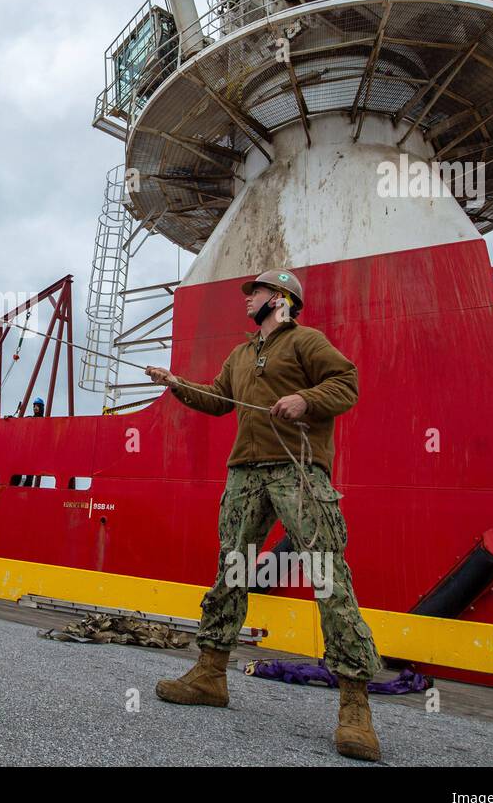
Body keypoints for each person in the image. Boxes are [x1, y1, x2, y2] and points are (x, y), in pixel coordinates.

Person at [144, 269, 383, 762]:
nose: (245, 299)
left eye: (252, 292)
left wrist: (306, 399)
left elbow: (347, 382)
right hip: (246, 474)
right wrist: (175, 385)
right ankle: (210, 674)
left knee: (327, 575)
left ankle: (355, 706)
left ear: (278, 298)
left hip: (298, 475)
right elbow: (216, 401)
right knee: (231, 571)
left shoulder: (306, 341)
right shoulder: (241, 353)